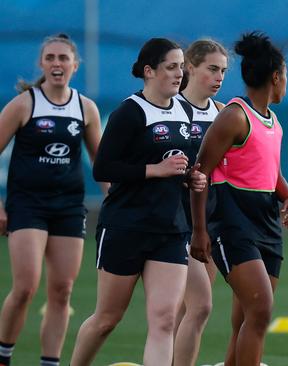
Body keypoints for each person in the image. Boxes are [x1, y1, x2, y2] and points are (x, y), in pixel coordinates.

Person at [69, 37, 206, 366]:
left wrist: (191, 178)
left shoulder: (185, 111)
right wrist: (155, 170)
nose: (179, 75)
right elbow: (103, 167)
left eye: (181, 68)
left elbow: (180, 165)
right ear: (149, 71)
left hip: (171, 230)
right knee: (106, 319)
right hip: (125, 227)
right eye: (171, 67)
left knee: (164, 321)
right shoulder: (130, 111)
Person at [189, 31, 288, 366]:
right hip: (233, 223)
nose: (286, 83)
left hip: (267, 223)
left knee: (246, 319)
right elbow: (200, 173)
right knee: (261, 310)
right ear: (276, 77)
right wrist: (200, 230)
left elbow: (270, 171)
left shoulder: (273, 121)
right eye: (285, 76)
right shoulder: (234, 116)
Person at [0, 33, 102, 366]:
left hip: (69, 208)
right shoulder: (25, 104)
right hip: (27, 205)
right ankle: (4, 354)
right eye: (51, 58)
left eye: (63, 58)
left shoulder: (85, 107)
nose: (57, 64)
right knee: (27, 286)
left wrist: (115, 204)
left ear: (75, 64)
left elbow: (101, 166)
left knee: (63, 291)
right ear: (42, 64)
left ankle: (50, 362)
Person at [172, 38, 228, 366]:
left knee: (188, 308)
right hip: (175, 221)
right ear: (189, 68)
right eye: (212, 69)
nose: (219, 77)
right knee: (199, 306)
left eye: (223, 71)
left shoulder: (223, 113)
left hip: (209, 223)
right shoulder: (170, 108)